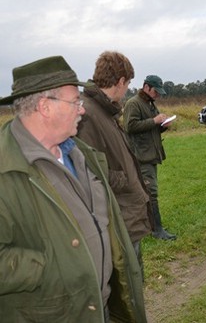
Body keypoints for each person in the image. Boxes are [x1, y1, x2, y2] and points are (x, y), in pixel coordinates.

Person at [0, 55, 146, 322]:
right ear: (45, 107)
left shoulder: (81, 153)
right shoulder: (5, 169)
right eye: (75, 102)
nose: (82, 109)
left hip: (99, 309)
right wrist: (55, 263)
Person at [77, 51, 153, 270]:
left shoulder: (104, 109)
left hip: (125, 213)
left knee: (133, 281)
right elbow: (86, 170)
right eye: (128, 83)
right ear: (120, 81)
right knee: (125, 286)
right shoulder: (88, 114)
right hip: (116, 218)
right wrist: (124, 179)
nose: (127, 88)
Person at [123, 75, 177, 240]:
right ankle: (156, 229)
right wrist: (154, 120)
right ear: (146, 87)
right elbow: (130, 126)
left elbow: (152, 128)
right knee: (151, 192)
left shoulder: (150, 103)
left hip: (151, 154)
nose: (158, 95)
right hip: (141, 156)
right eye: (156, 91)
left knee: (145, 193)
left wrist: (163, 126)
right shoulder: (133, 103)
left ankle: (146, 226)